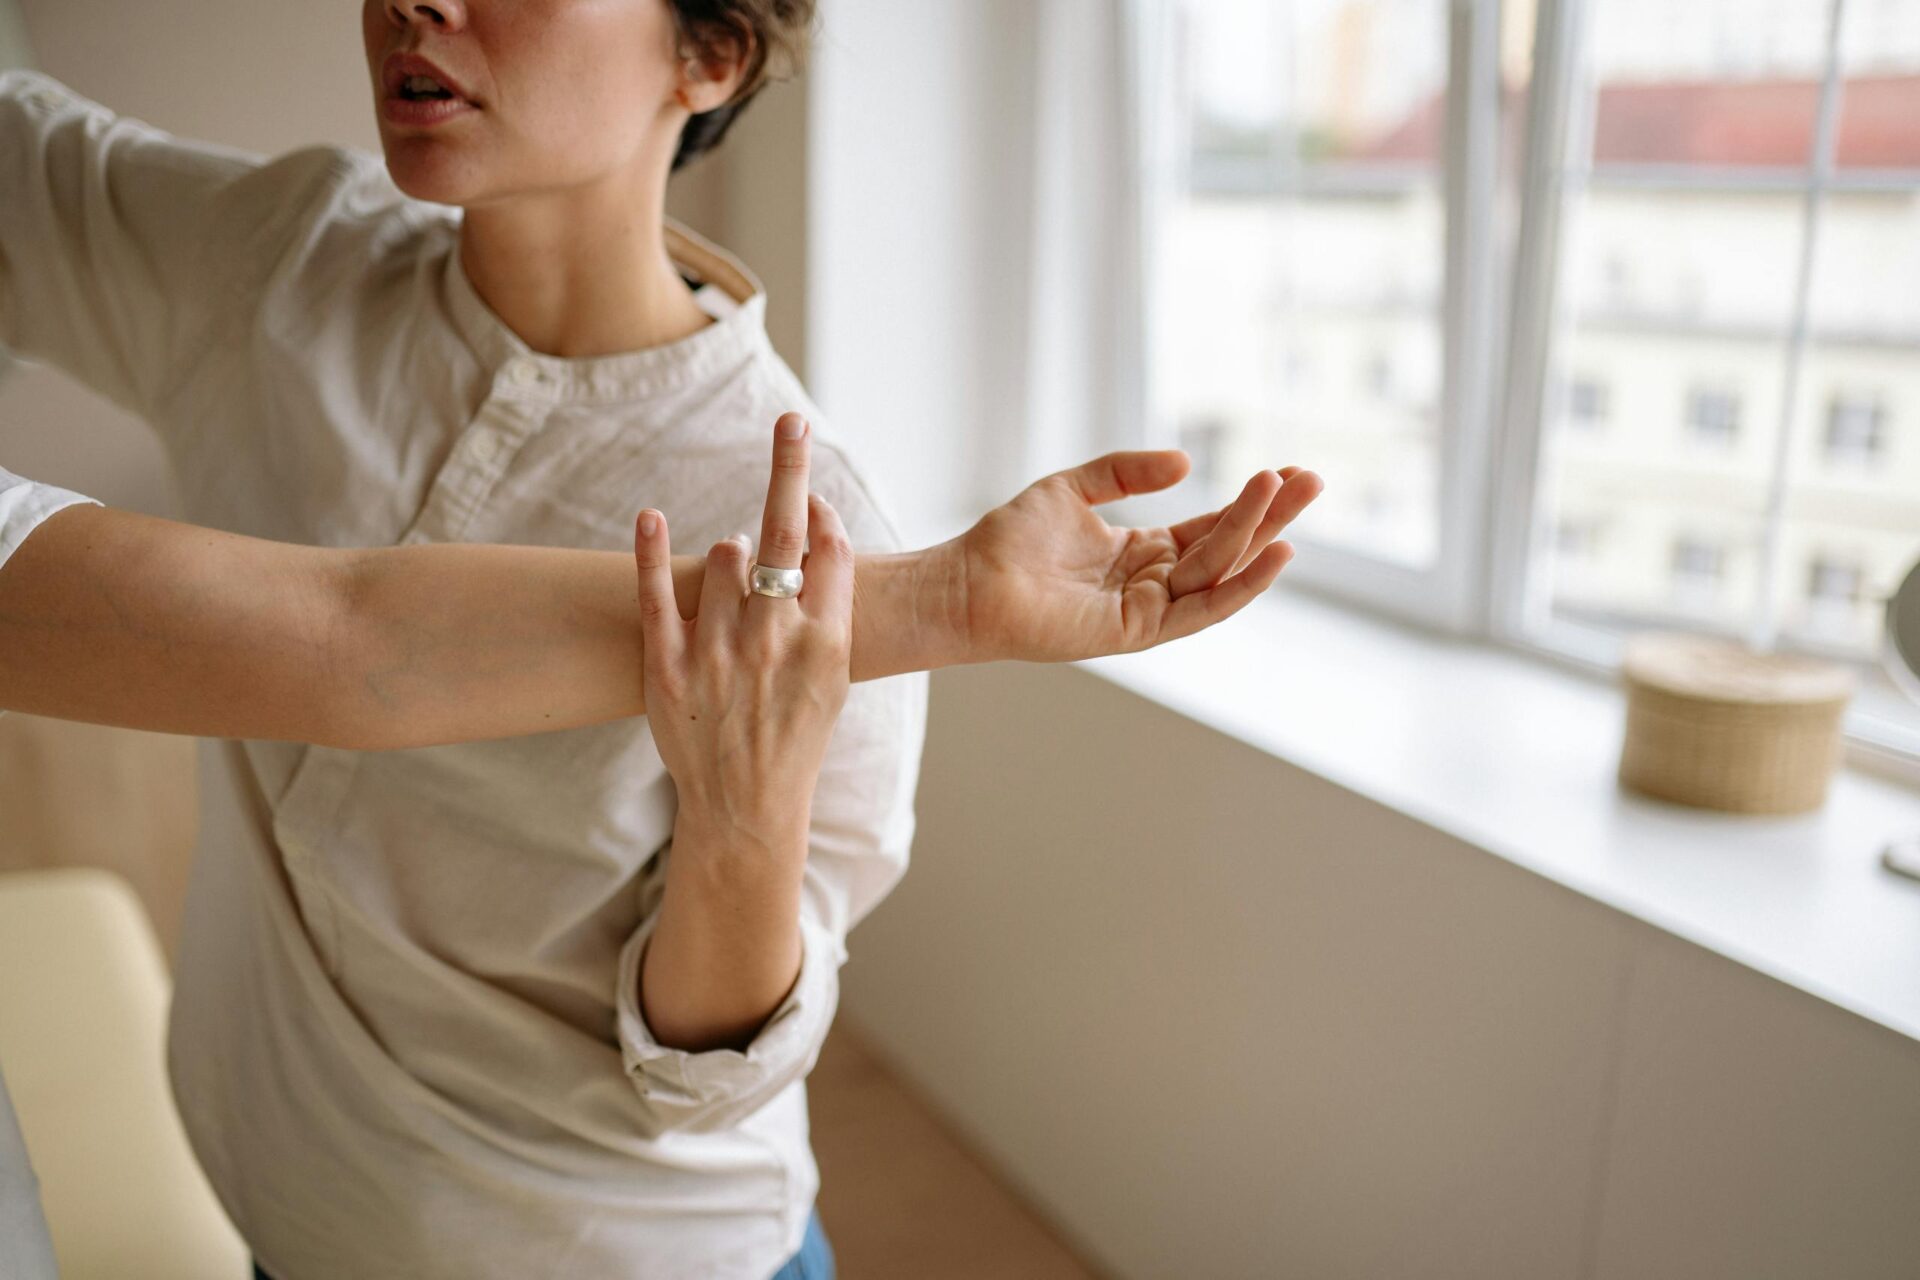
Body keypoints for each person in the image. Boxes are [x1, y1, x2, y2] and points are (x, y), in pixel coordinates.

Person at [0, 1, 1321, 1274]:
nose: (416, 3)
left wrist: (744, 817)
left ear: (711, 53)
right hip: (287, 1224)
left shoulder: (811, 519)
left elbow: (701, 1080)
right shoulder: (279, 264)